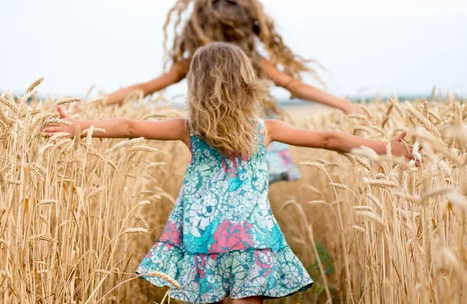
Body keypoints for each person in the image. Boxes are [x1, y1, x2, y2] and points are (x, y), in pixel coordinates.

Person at [45, 43, 410, 304]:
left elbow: (128, 126)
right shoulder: (266, 128)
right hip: (251, 232)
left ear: (197, 86)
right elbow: (330, 138)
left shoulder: (187, 128)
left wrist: (81, 126)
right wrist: (386, 147)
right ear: (247, 82)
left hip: (202, 233)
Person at [85, 0, 367, 184]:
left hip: (209, 133)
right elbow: (294, 86)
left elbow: (144, 88)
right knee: (252, 192)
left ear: (201, 25)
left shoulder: (193, 60)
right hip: (252, 135)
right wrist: (344, 104)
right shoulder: (252, 59)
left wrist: (93, 106)